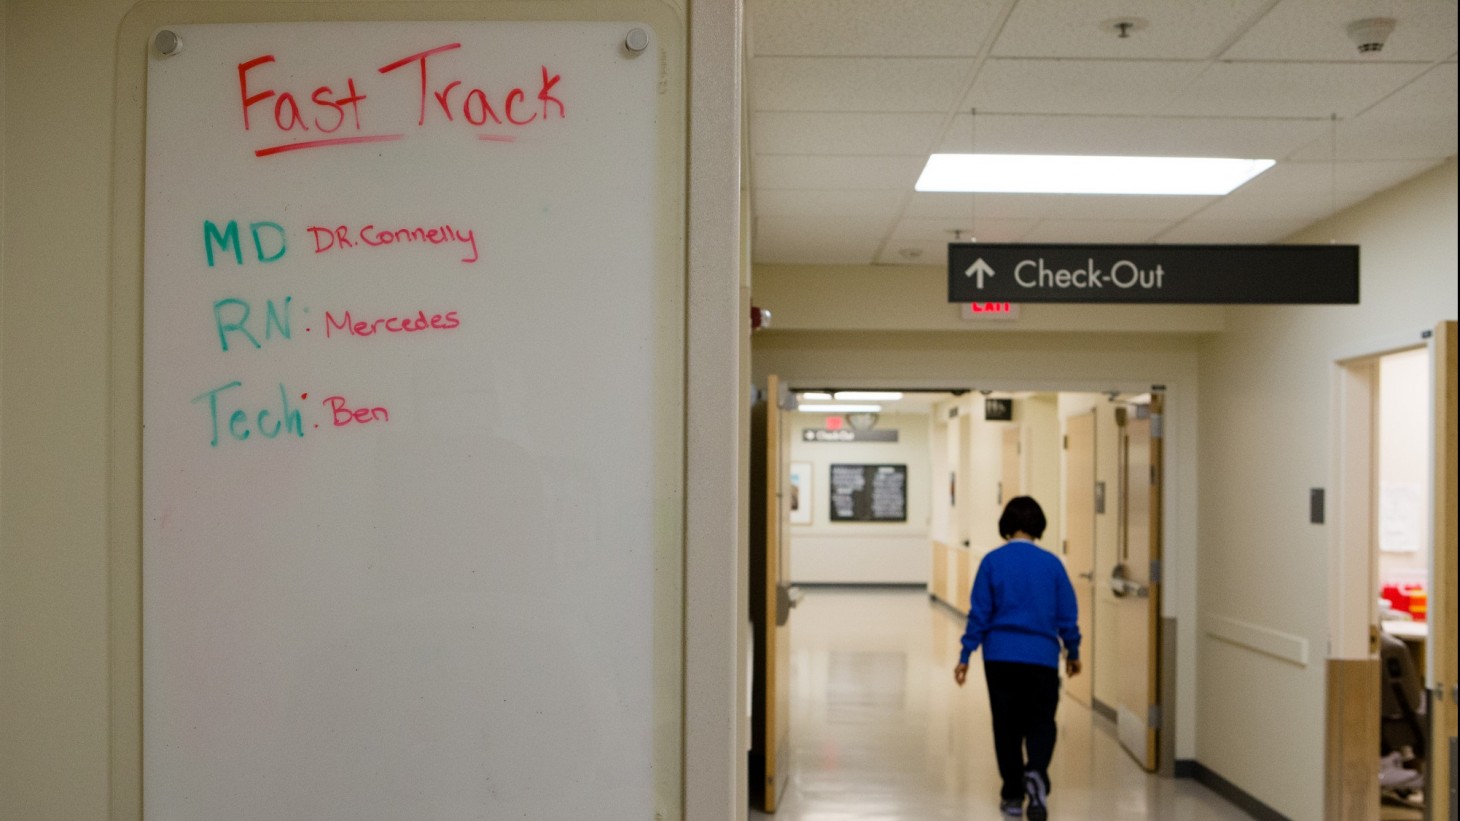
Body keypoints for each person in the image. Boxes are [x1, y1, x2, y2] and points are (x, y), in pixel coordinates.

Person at [953, 496, 1081, 820]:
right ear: (1039, 525)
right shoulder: (1053, 565)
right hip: (1041, 657)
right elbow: (1067, 614)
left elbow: (979, 613)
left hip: (1001, 657)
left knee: (1006, 725)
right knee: (1041, 721)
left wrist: (966, 653)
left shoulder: (992, 562)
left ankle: (1012, 794)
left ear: (1007, 525)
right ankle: (1036, 771)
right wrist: (1073, 651)